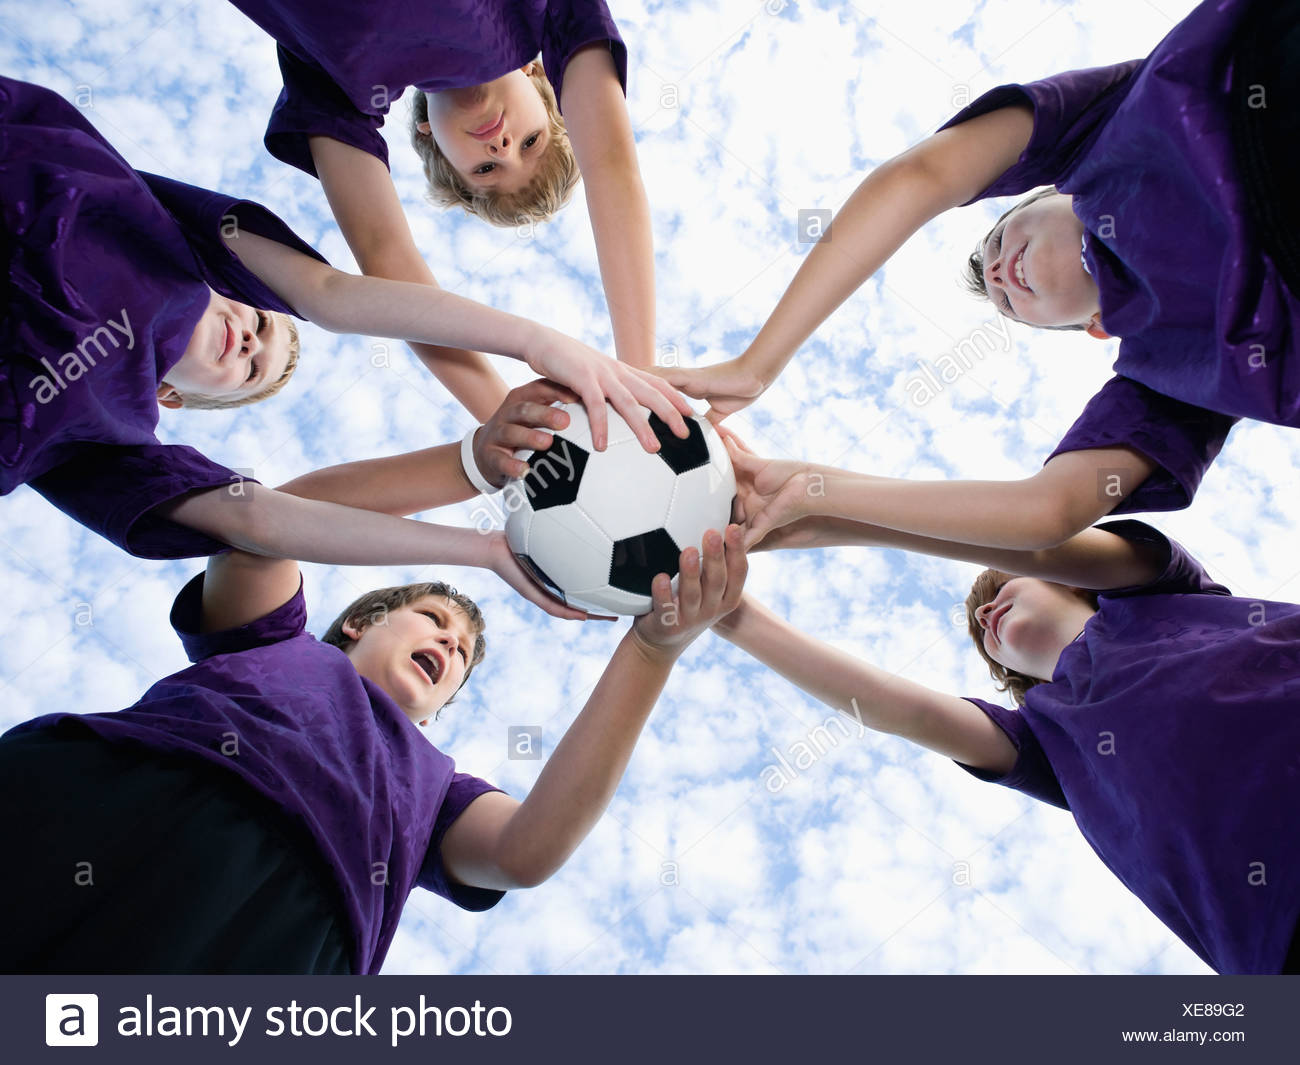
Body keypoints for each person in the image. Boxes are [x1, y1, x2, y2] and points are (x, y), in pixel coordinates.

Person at [0, 411, 749, 974]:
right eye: (435, 620)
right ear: (359, 623)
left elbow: (527, 850)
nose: (452, 645)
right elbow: (264, 522)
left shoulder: (437, 792)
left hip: (280, 933)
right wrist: (470, 466)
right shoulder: (271, 638)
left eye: (460, 657)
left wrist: (651, 648)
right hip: (105, 799)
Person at [661, 0, 1300, 539]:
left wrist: (759, 363)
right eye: (1008, 304)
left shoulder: (1101, 131)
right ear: (1095, 328)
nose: (998, 276)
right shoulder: (1169, 380)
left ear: (1053, 190)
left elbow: (923, 175)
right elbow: (1048, 511)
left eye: (997, 242)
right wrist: (815, 489)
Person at [2, 75, 687, 563]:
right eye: (259, 320)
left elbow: (258, 516)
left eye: (251, 365)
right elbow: (335, 295)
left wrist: (485, 552)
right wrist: (538, 342)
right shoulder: (177, 241)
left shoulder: (111, 443)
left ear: (174, 399)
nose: (249, 335)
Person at [715, 502, 1300, 974]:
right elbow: (905, 710)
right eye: (979, 629)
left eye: (1003, 588)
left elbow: (1044, 542)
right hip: (1275, 936)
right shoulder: (1046, 740)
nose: (987, 612)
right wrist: (727, 611)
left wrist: (825, 509)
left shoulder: (1159, 594)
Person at [225, 0, 659, 423]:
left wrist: (518, 434)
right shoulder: (539, 13)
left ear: (432, 139)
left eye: (486, 169)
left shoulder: (340, 86)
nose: (503, 148)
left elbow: (385, 253)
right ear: (538, 75)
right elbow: (610, 166)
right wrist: (643, 391)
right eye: (532, 141)